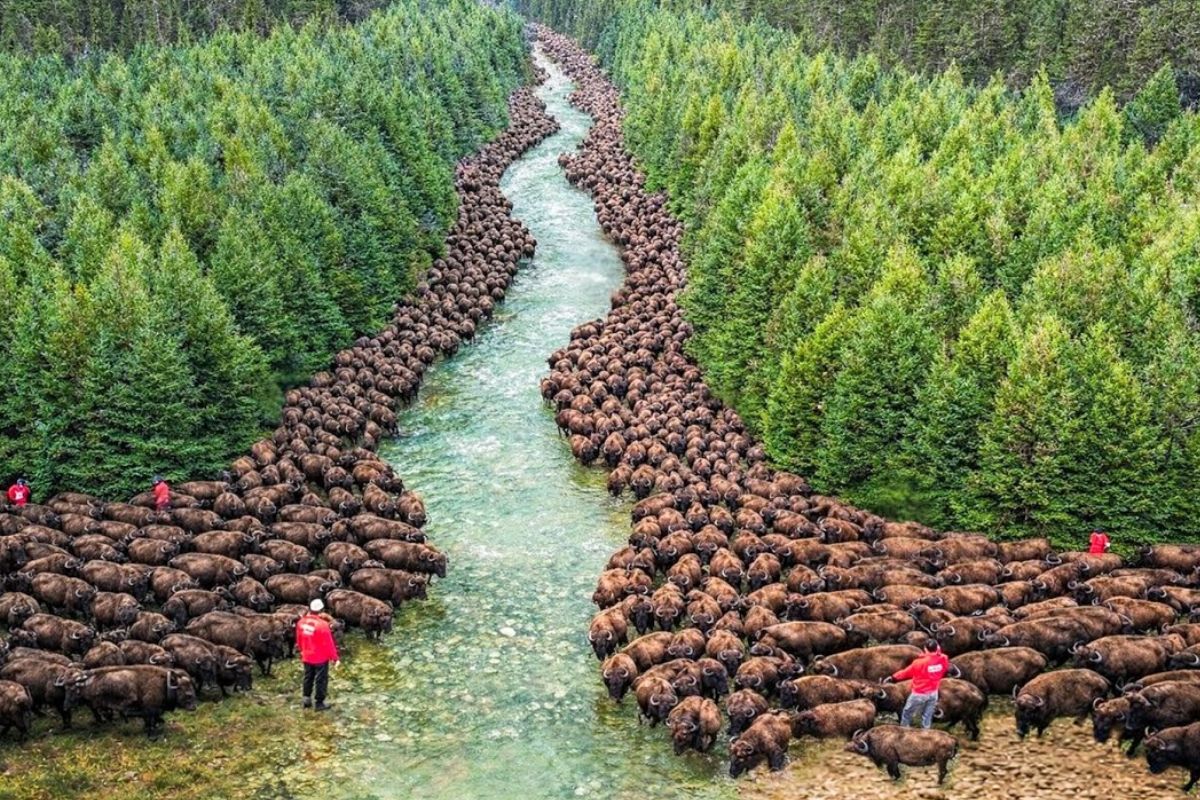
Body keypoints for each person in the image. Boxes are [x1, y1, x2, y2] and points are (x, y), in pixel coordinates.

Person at [887, 640, 951, 729]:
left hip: (919, 693)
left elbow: (906, 673)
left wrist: (893, 677)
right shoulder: (943, 659)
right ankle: (925, 731)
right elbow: (941, 657)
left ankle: (904, 730)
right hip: (933, 692)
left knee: (907, 712)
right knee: (927, 714)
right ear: (937, 649)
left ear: (925, 649)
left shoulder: (919, 663)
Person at [296, 598, 339, 711]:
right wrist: (335, 658)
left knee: (308, 676)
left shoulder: (301, 622)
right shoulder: (323, 625)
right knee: (321, 679)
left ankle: (306, 699)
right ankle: (319, 703)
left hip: (306, 655)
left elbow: (299, 639)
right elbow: (329, 644)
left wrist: (302, 650)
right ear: (321, 611)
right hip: (320, 657)